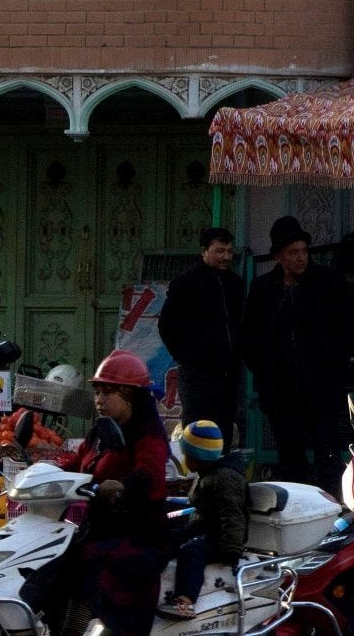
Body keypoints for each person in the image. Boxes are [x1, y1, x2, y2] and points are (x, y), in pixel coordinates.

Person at [32, 352, 174, 636]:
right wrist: (44, 473)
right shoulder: (101, 432)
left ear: (130, 396)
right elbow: (79, 463)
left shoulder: (148, 434)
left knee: (90, 559)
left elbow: (150, 474)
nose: (99, 400)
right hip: (99, 529)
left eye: (108, 392)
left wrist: (122, 485)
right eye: (97, 392)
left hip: (140, 536)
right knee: (55, 560)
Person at [239, 216, 354, 492]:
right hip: (281, 392)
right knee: (290, 459)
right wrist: (264, 372)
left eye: (304, 251)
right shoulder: (263, 289)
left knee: (328, 456)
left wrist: (334, 362)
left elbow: (351, 325)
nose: (301, 258)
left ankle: (331, 514)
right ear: (278, 256)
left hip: (323, 389)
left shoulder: (328, 283)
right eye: (293, 253)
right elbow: (250, 336)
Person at [159, 228, 246, 443]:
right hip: (197, 378)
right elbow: (167, 326)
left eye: (229, 251)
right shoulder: (186, 283)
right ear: (204, 251)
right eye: (219, 251)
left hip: (228, 376)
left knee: (223, 435)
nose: (226, 256)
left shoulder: (234, 283)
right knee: (198, 436)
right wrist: (188, 358)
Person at [165, 419, 248, 618]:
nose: (184, 459)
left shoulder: (224, 478)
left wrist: (231, 549)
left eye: (186, 454)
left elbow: (233, 514)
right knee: (168, 539)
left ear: (197, 457)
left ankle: (185, 600)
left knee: (191, 552)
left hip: (221, 537)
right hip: (205, 527)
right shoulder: (207, 474)